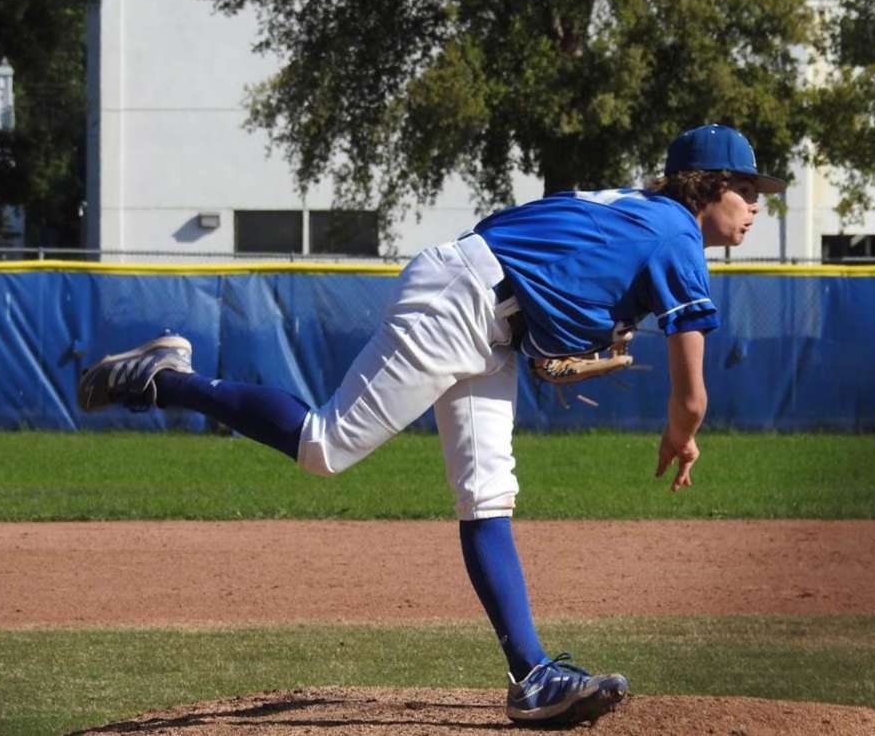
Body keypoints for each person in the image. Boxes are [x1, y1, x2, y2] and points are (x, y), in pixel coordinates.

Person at [78, 123, 783, 727]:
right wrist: (681, 432)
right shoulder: (678, 236)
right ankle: (164, 378)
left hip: (491, 316)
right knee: (326, 445)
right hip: (464, 300)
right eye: (745, 191)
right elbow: (691, 394)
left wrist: (548, 327)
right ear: (704, 185)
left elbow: (533, 241)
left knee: (486, 492)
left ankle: (530, 676)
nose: (755, 206)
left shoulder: (638, 214)